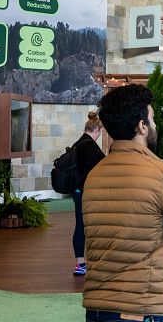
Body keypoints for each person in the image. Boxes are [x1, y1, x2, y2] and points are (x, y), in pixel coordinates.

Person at [82, 84, 163, 322]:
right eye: (152, 118)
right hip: (139, 307)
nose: (155, 125)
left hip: (96, 308)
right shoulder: (162, 175)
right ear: (142, 126)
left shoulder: (94, 175)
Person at [72, 111, 105, 277]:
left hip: (77, 191)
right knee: (91, 226)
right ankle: (95, 261)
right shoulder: (91, 146)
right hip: (88, 193)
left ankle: (80, 263)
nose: (100, 136)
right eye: (101, 132)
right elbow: (92, 172)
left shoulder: (77, 143)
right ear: (97, 129)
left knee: (80, 225)